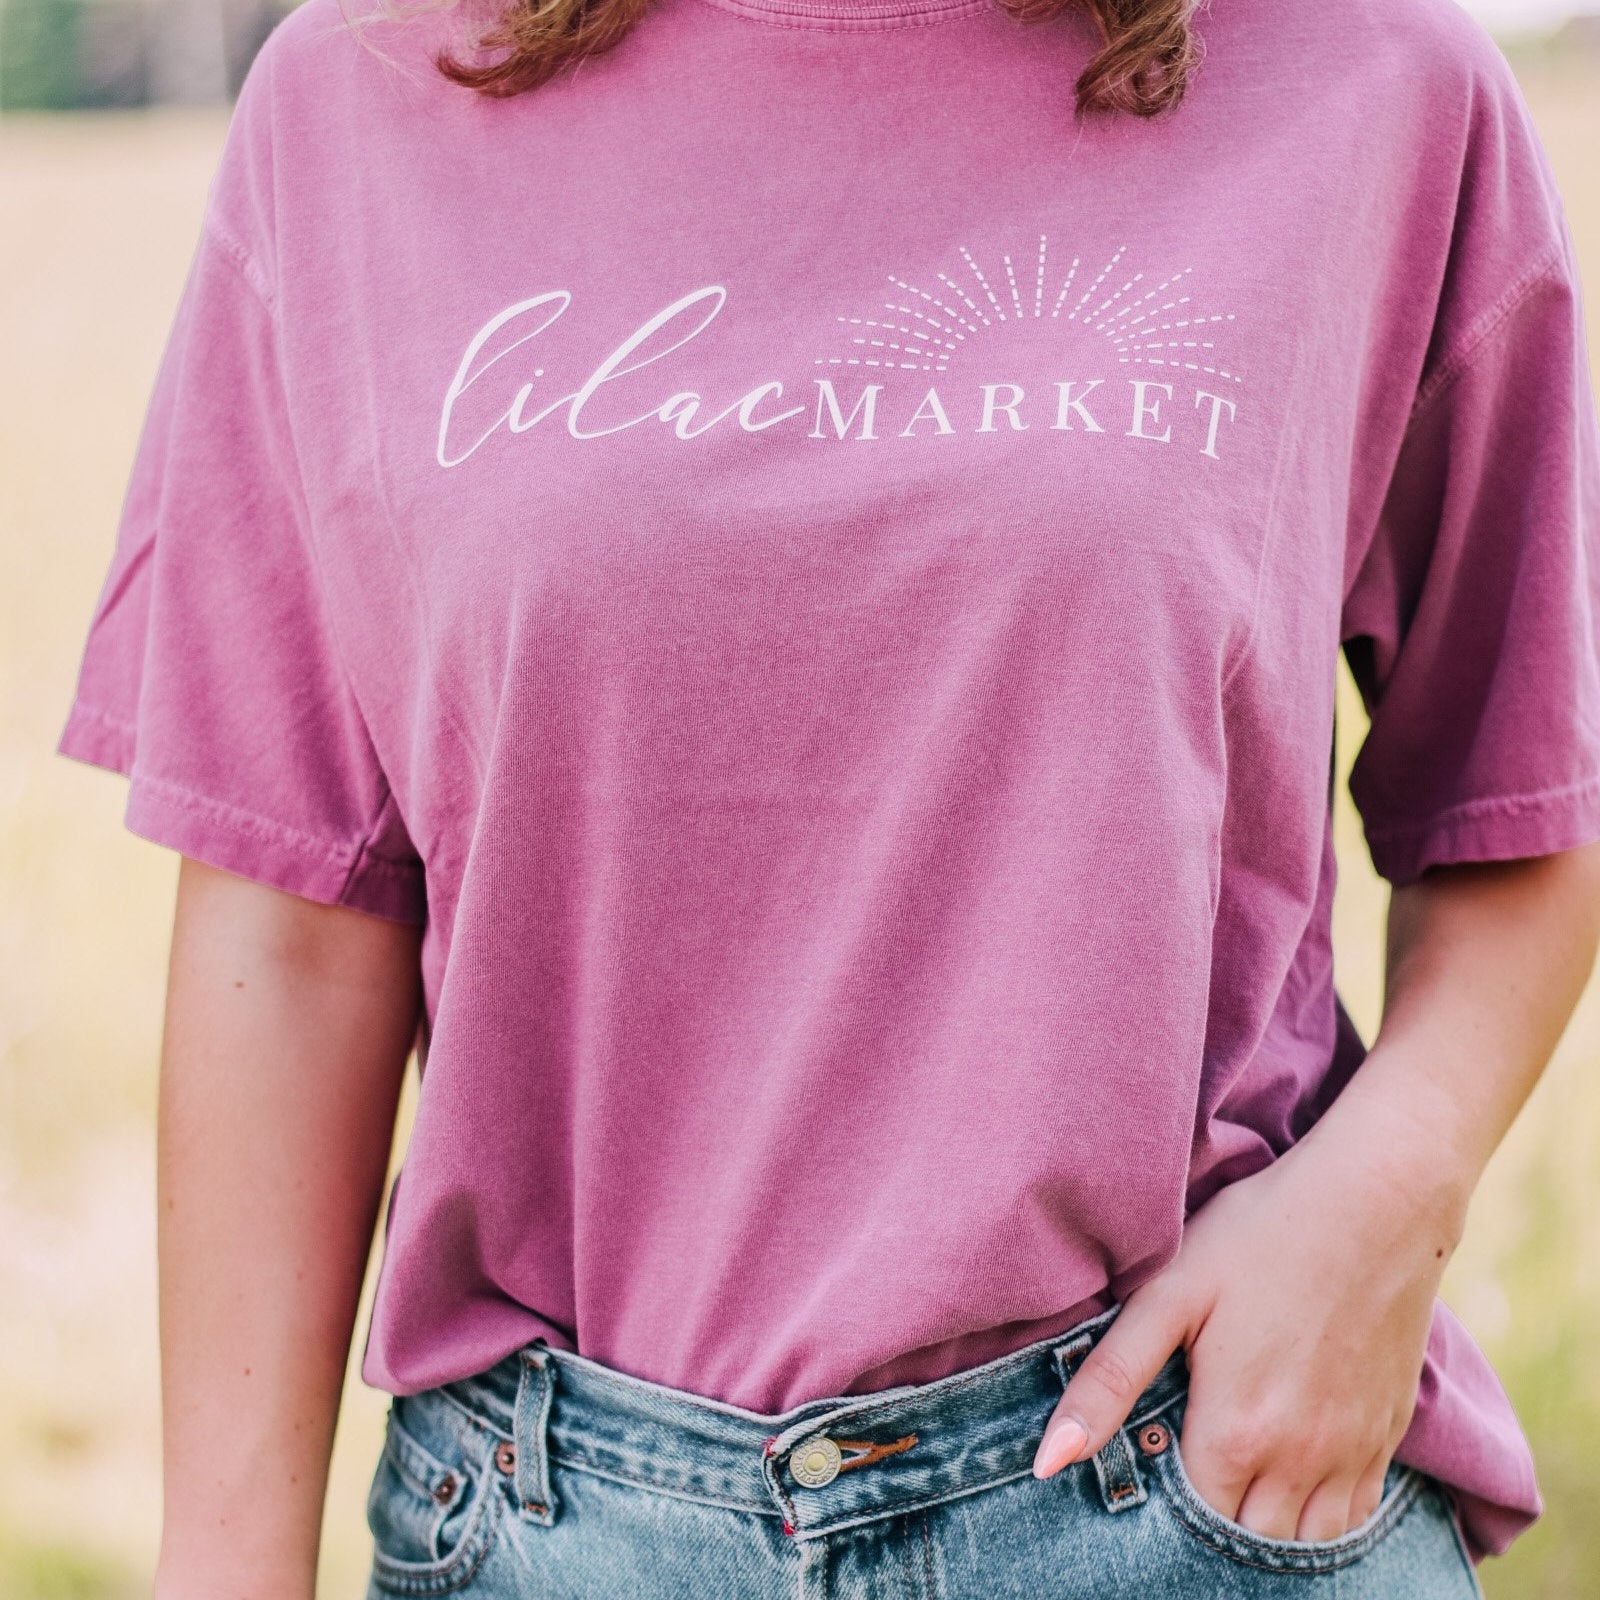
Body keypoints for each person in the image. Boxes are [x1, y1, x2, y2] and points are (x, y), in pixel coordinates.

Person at [54, 0, 1600, 1591]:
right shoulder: (364, 93)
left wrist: (1387, 1190)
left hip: (1186, 1488)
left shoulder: (1367, 79)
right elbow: (296, 917)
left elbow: (1522, 796)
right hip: (554, 1529)